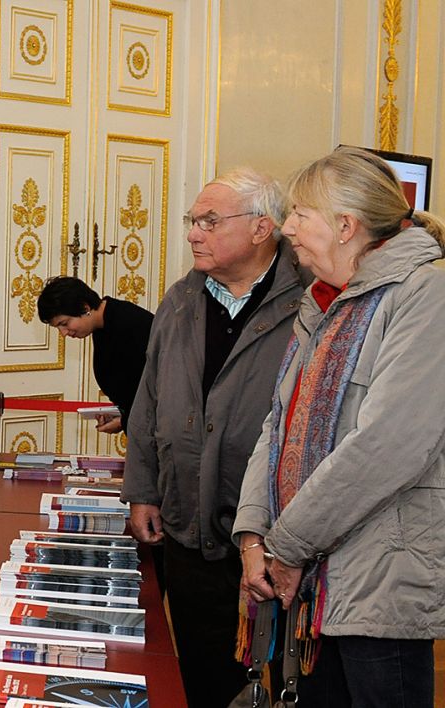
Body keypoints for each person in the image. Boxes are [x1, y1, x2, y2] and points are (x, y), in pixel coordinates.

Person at [233, 147, 445, 705]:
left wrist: (287, 545)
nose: (287, 228)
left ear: (346, 226)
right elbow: (277, 427)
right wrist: (254, 535)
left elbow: (390, 445)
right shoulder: (321, 303)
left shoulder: (425, 294)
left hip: (380, 582)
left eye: (301, 214)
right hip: (308, 579)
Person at [122, 168, 310, 707]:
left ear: (261, 228)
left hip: (277, 535)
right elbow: (149, 401)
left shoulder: (311, 300)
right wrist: (143, 490)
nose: (193, 233)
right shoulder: (181, 299)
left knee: (284, 677)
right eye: (193, 220)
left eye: (209, 221)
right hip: (187, 528)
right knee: (202, 675)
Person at [36, 276, 154, 433]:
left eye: (64, 324)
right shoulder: (102, 326)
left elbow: (153, 393)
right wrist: (121, 418)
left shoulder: (131, 323)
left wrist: (125, 421)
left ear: (85, 307)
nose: (63, 333)